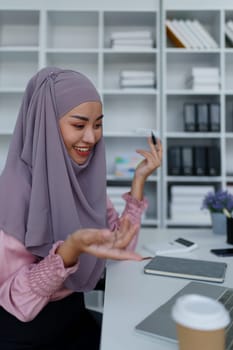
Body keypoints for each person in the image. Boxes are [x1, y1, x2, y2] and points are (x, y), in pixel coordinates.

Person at [0, 67, 162, 350]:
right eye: (79, 125)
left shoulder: (82, 180)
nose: (91, 137)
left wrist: (139, 180)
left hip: (74, 316)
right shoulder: (12, 193)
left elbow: (118, 247)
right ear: (46, 123)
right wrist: (68, 251)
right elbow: (15, 299)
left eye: (98, 124)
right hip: (26, 333)